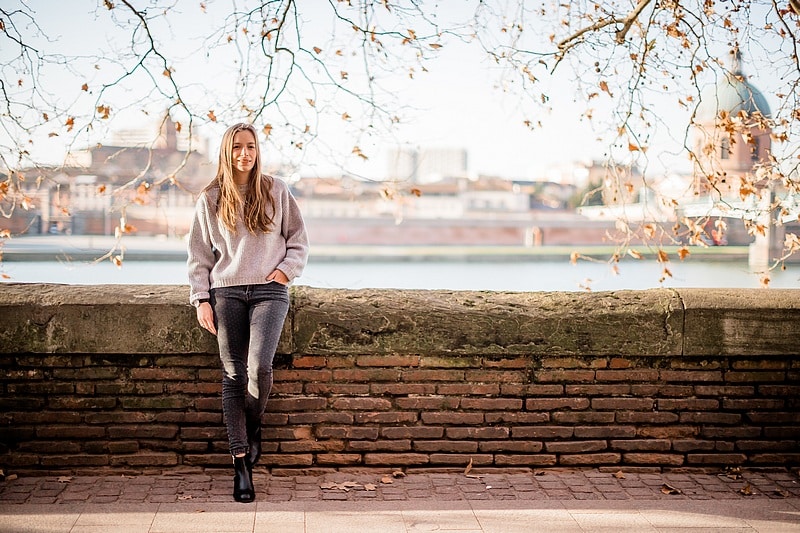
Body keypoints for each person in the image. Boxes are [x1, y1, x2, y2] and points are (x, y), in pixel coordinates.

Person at [187, 123, 309, 503]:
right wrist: (201, 298)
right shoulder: (209, 198)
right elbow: (199, 256)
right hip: (226, 293)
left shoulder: (276, 189)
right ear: (227, 152)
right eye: (238, 147)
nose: (245, 153)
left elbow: (298, 241)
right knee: (232, 374)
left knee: (258, 369)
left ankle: (251, 425)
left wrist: (285, 271)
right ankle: (241, 461)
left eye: (251, 146)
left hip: (270, 292)